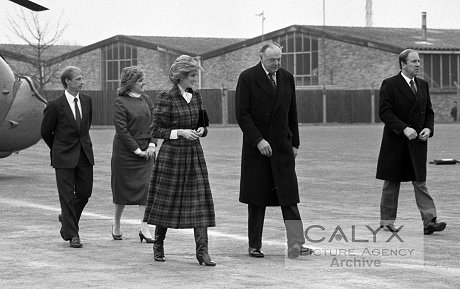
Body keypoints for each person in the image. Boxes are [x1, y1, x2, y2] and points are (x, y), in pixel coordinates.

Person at [235, 42, 312, 259]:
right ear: (261, 57)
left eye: (279, 59)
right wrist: (258, 140)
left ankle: (296, 243)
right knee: (257, 199)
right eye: (272, 59)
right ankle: (254, 245)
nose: (276, 63)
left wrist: (295, 143)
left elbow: (292, 113)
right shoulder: (247, 77)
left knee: (289, 197)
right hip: (257, 149)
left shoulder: (287, 78)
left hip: (282, 147)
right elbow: (242, 114)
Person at [143, 55, 216, 266]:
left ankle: (202, 252)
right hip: (172, 156)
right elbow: (156, 130)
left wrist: (202, 130)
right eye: (193, 75)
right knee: (165, 201)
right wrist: (180, 132)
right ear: (181, 76)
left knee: (199, 203)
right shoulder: (166, 97)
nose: (196, 79)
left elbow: (203, 123)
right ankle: (159, 245)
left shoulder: (197, 96)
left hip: (194, 155)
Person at [376, 49, 446, 235]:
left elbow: (429, 112)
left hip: (417, 142)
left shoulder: (423, 85)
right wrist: (403, 128)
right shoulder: (390, 84)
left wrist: (428, 129)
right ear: (403, 64)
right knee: (392, 182)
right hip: (396, 142)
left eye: (419, 61)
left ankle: (429, 220)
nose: (418, 65)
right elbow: (385, 112)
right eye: (414, 61)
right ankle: (387, 222)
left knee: (420, 181)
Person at [41, 66, 94, 248]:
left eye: (82, 78)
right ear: (67, 82)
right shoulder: (54, 105)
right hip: (63, 157)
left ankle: (66, 218)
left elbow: (86, 127)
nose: (82, 82)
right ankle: (72, 234)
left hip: (84, 155)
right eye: (78, 79)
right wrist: (58, 148)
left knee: (85, 193)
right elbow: (46, 131)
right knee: (66, 197)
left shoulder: (87, 101)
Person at [111, 66, 157, 242]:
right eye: (140, 80)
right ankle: (116, 224)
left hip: (147, 154)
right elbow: (122, 130)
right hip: (125, 155)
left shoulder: (146, 99)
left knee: (146, 190)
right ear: (130, 83)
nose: (143, 82)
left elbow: (155, 123)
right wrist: (137, 150)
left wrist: (152, 145)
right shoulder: (120, 102)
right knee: (121, 192)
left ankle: (144, 229)